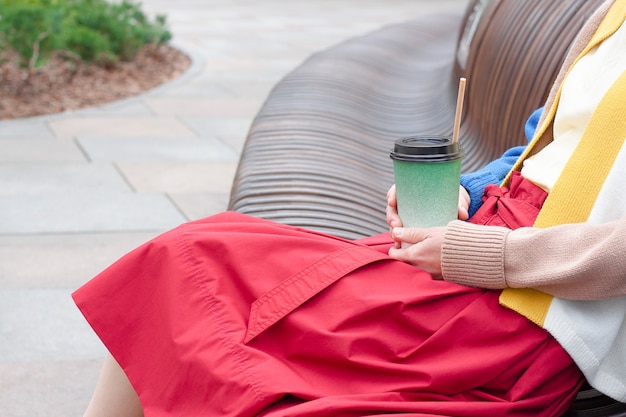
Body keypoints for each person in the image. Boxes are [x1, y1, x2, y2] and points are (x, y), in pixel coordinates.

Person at [73, 1, 626, 416]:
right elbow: (545, 145)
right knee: (189, 256)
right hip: (483, 246)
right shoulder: (610, 18)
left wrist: (488, 254)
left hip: (528, 300)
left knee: (213, 293)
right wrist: (469, 190)